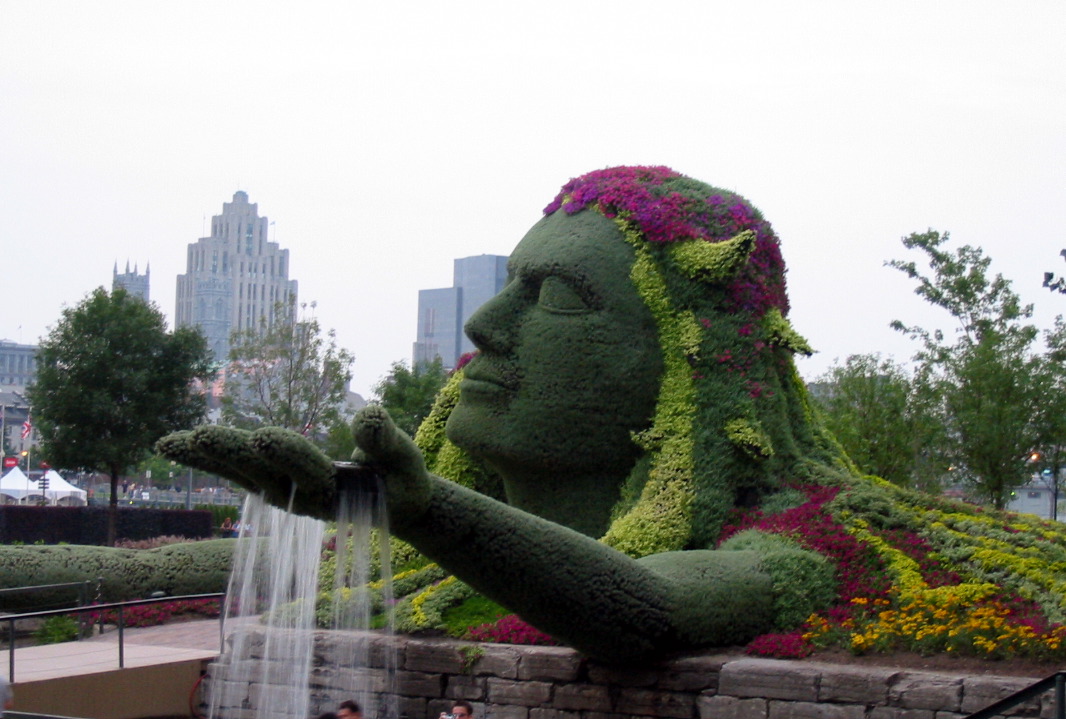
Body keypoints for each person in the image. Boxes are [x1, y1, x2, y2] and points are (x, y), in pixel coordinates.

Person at [158, 166, 840, 665]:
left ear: (693, 362)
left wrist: (426, 511)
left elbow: (647, 608)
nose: (483, 323)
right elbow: (278, 562)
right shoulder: (455, 545)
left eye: (558, 297)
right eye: (513, 283)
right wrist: (109, 572)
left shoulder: (795, 545)